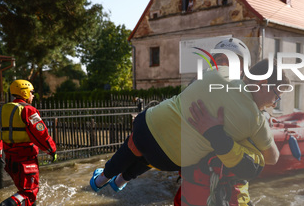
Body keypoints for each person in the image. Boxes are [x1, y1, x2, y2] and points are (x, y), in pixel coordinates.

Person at [89, 53, 282, 193]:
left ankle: (101, 179)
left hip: (148, 125)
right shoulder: (257, 122)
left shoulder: (222, 72)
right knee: (150, 156)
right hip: (169, 160)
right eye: (276, 95)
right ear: (263, 83)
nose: (275, 102)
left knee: (136, 145)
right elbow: (273, 158)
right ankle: (120, 181)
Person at [0, 79, 57, 206]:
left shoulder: (2, 110)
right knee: (29, 192)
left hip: (10, 159)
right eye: (31, 92)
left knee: (24, 188)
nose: (32, 95)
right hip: (26, 159)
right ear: (24, 92)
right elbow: (41, 134)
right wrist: (52, 150)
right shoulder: (28, 110)